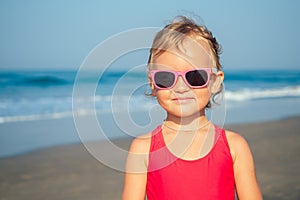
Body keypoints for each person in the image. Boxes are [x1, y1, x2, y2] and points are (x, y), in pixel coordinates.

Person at [122, 16, 262, 200]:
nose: (181, 87)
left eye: (195, 76)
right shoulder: (143, 149)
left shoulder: (235, 146)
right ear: (153, 84)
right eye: (166, 78)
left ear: (214, 82)